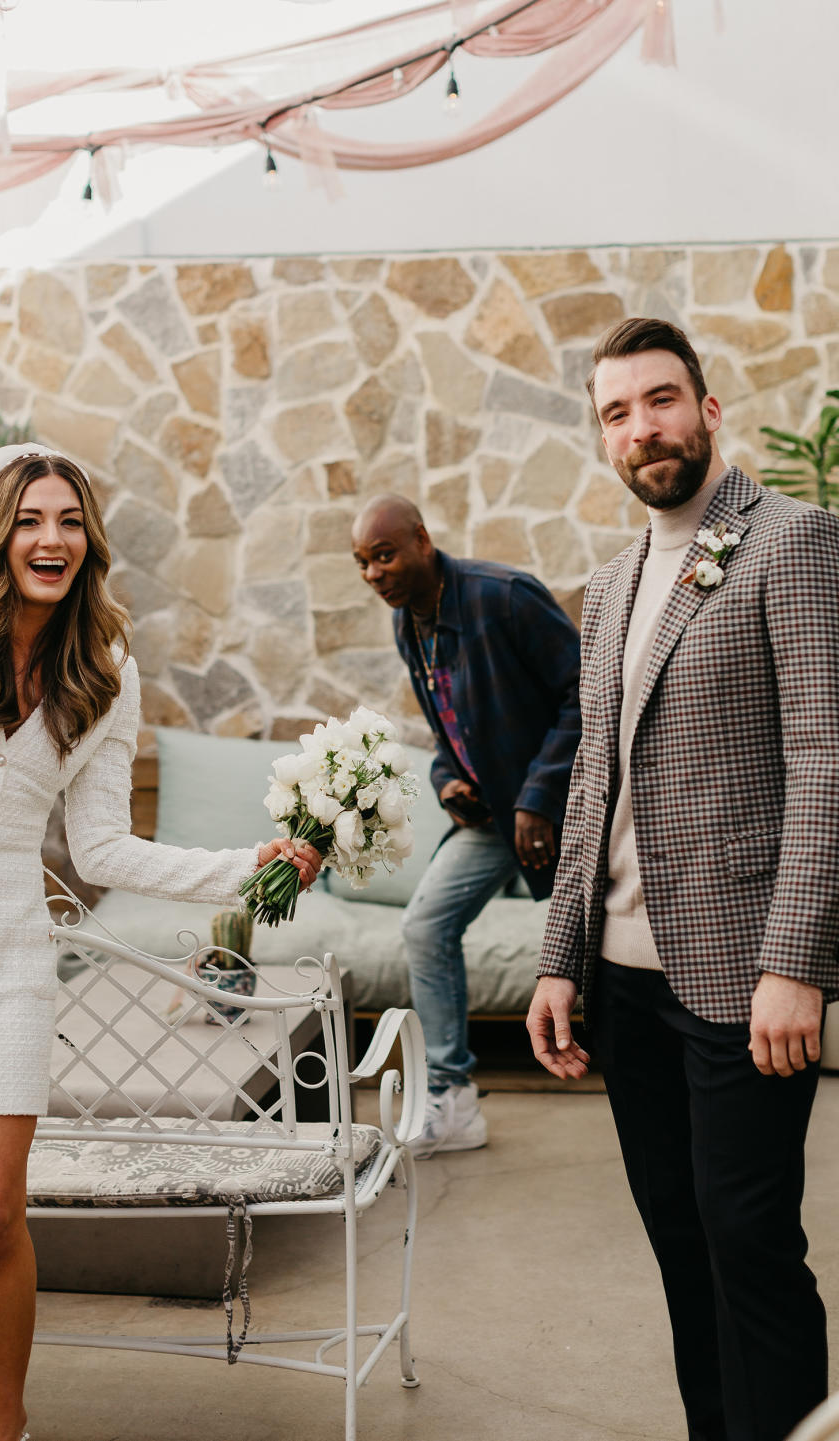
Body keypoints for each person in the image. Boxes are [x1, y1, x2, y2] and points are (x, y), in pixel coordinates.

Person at [0, 444, 320, 1441]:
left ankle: (4, 1427)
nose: (51, 538)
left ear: (91, 541)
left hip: (7, 967)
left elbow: (105, 847)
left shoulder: (105, 671)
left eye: (70, 521)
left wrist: (250, 865)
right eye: (32, 519)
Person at [527, 317, 839, 1441]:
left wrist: (795, 962)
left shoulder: (794, 542)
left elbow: (825, 756)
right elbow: (591, 788)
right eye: (618, 412)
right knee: (678, 1238)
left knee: (749, 1239)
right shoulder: (608, 588)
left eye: (661, 400)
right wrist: (560, 958)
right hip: (624, 979)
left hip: (744, 980)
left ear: (709, 410)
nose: (642, 427)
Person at [352, 496, 580, 1156]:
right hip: (493, 817)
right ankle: (451, 1098)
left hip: (565, 806)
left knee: (603, 951)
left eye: (384, 554)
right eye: (362, 563)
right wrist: (446, 781)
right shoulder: (408, 626)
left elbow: (583, 690)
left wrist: (538, 795)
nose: (374, 573)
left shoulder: (504, 596)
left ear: (424, 540)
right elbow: (447, 727)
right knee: (425, 923)